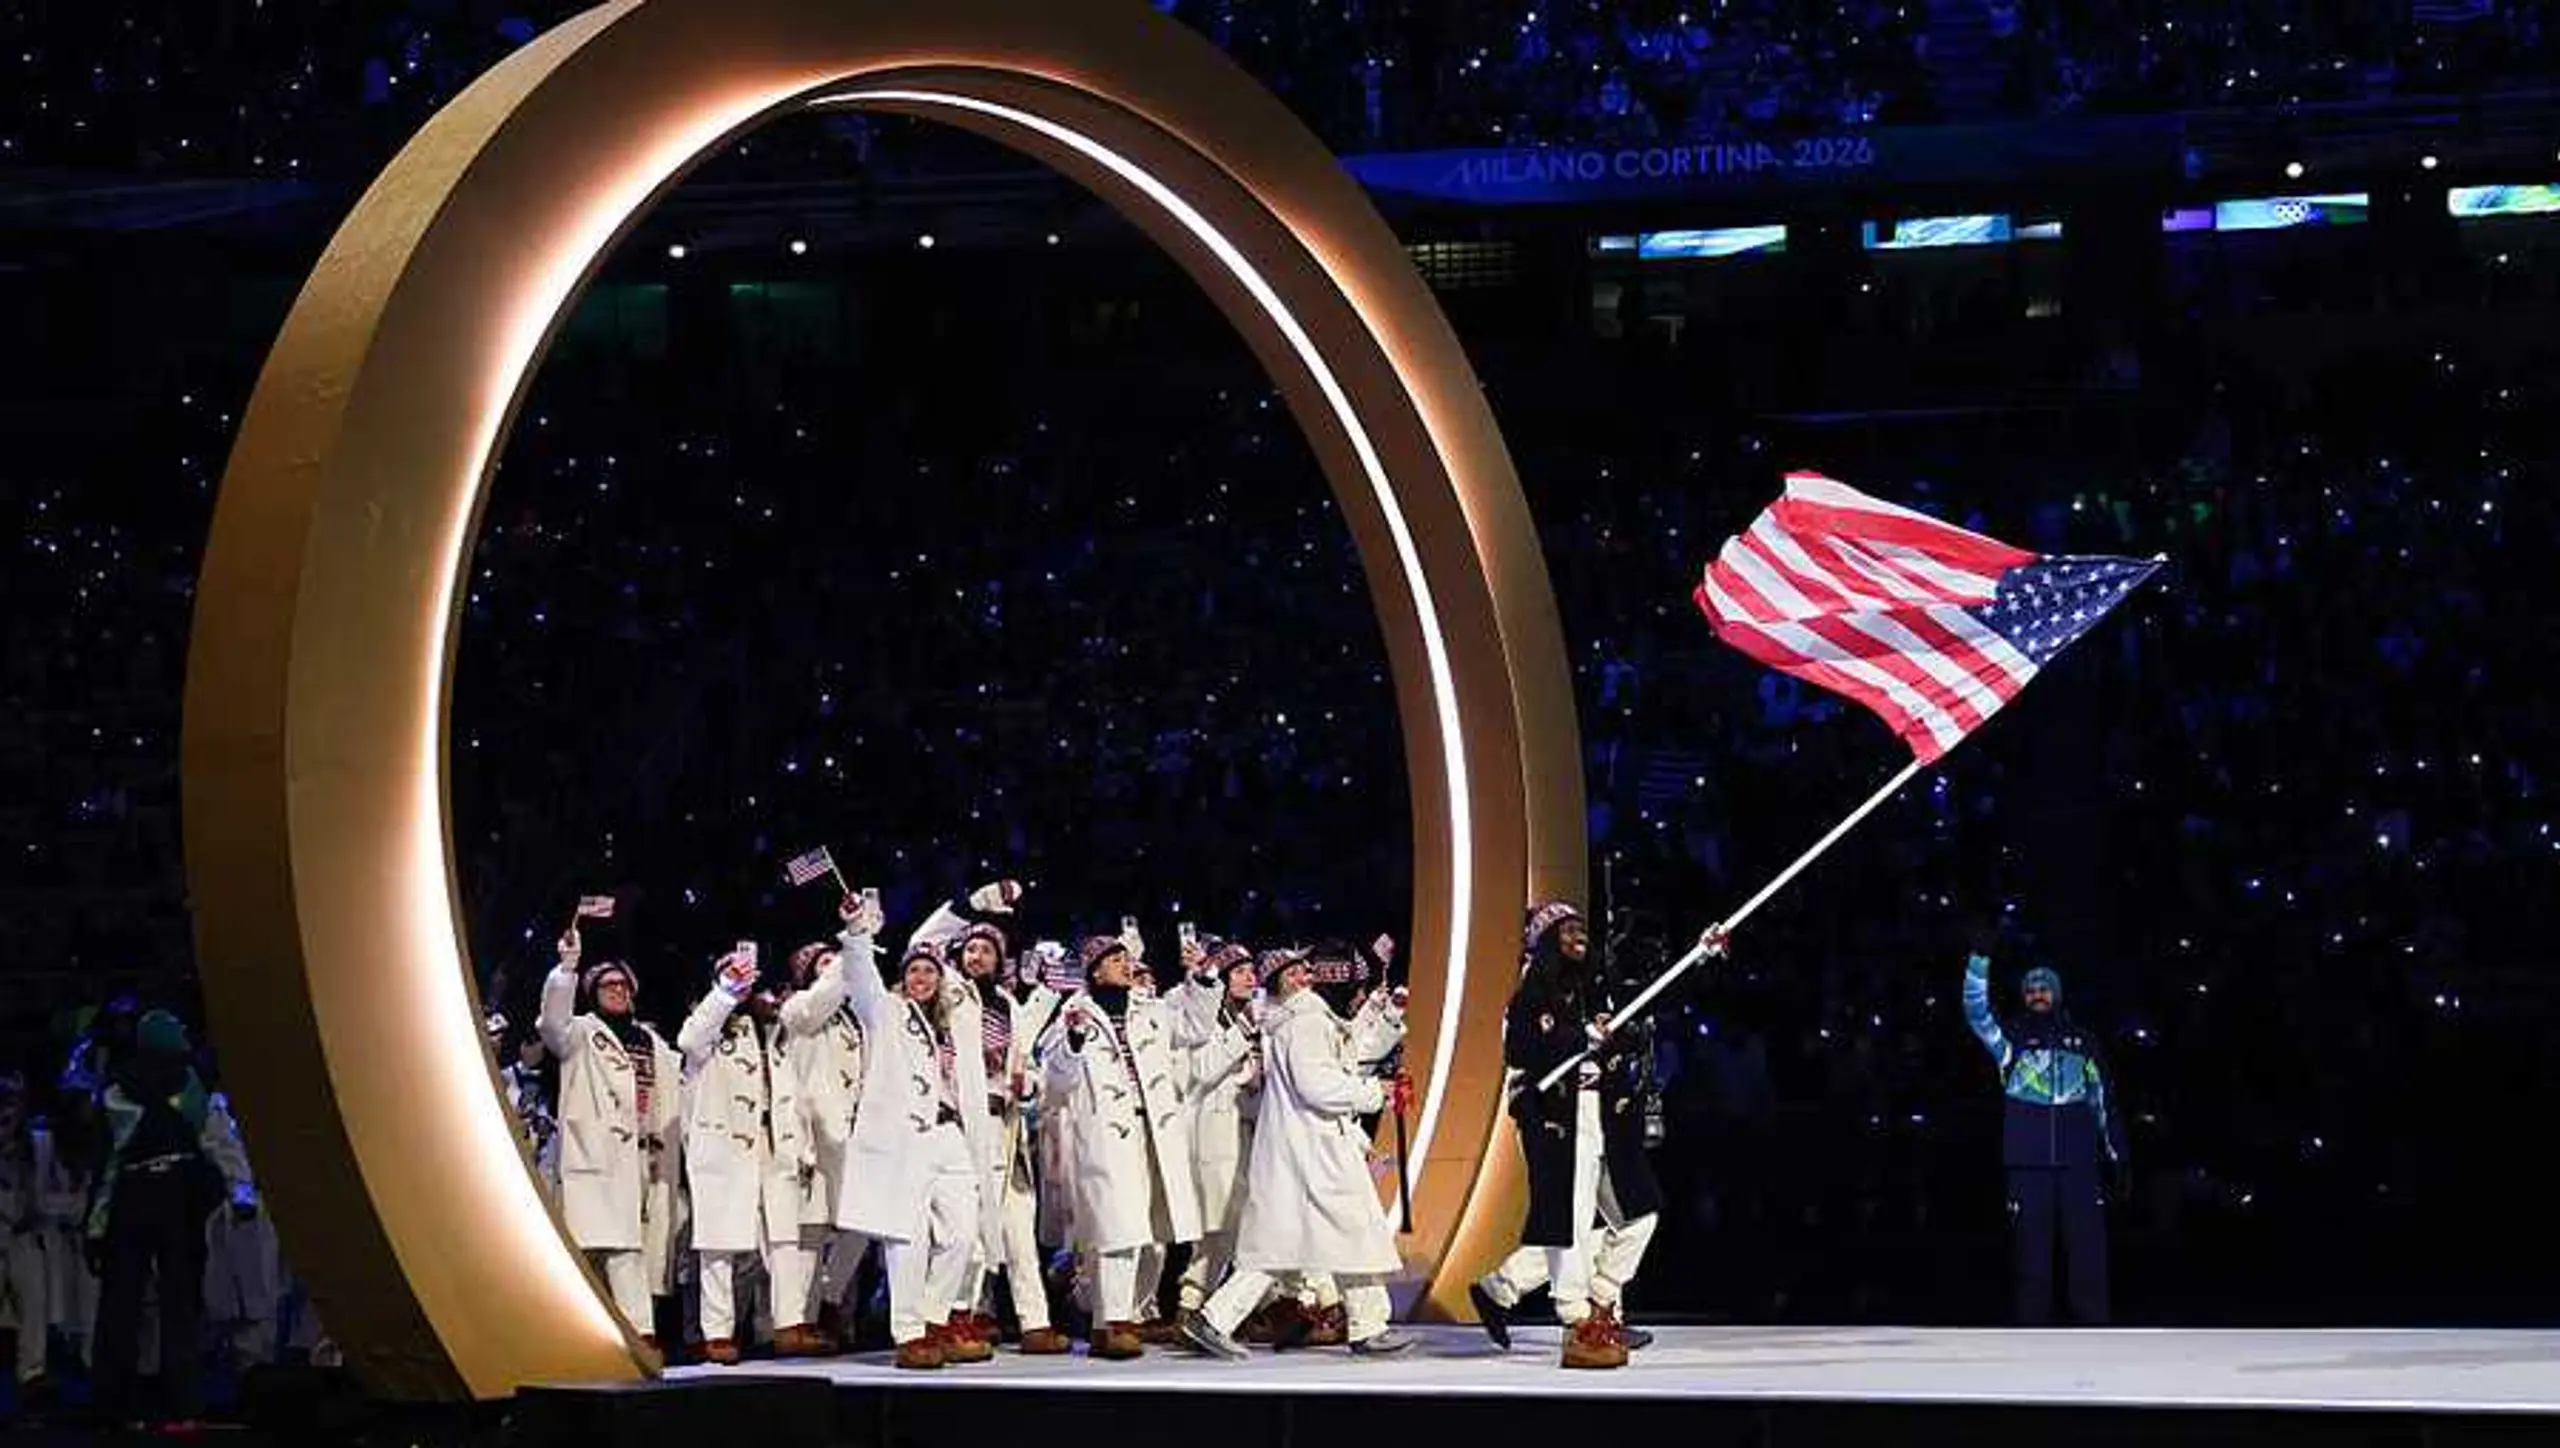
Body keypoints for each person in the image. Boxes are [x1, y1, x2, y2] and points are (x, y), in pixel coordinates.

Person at [1470, 904, 1722, 1369]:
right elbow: (1520, 1050)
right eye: (1567, 930)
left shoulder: (1593, 984)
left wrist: (1698, 956)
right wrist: (1575, 1039)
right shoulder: (1531, 994)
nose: (1578, 935)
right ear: (1546, 940)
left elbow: (1645, 999)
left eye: (1581, 927)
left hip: (1605, 1114)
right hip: (1557, 1115)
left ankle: (1579, 1295)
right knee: (1570, 1217)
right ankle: (1577, 1320)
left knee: (1638, 1215)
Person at [1182, 946, 1414, 1359]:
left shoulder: (1300, 1020)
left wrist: (1388, 1015)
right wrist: (1373, 1093)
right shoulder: (1306, 1022)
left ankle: (1215, 1319)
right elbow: (1318, 1086)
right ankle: (1368, 1326)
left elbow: (1346, 1056)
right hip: (1317, 1147)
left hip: (1303, 1146)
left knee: (1284, 1243)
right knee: (1349, 1230)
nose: (1359, 993)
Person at [831, 890, 996, 1371]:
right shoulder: (886, 1013)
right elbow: (861, 975)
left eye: (930, 970)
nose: (922, 976)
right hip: (906, 1137)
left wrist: (977, 904)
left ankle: (933, 1315)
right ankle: (910, 1333)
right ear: (903, 981)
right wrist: (858, 933)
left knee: (964, 1236)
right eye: (914, 971)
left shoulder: (953, 1019)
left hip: (951, 1136)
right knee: (907, 1239)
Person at [85, 1010, 252, 1429]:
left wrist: (97, 1225)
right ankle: (176, 1401)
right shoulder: (186, 1089)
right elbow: (220, 1144)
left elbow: (110, 1166)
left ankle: (126, 1402)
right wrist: (241, 1191)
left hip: (145, 1200)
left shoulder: (117, 1092)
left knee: (132, 1305)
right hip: (172, 1201)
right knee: (172, 1304)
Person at [924, 884, 1072, 1355]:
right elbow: (921, 947)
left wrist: (1026, 1085)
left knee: (1017, 1227)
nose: (977, 956)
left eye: (986, 950)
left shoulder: (1008, 1005)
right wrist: (971, 905)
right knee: (967, 1229)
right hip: (964, 1126)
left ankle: (1035, 1322)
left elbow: (1023, 1064)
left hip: (1006, 1128)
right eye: (970, 948)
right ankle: (955, 1318)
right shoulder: (951, 993)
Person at [1041, 931, 1201, 1360]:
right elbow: (1055, 1083)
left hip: (1152, 1131)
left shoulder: (1148, 1009)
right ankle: (1113, 1322)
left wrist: (1198, 977)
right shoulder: (1075, 1015)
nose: (1127, 967)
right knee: (1119, 1230)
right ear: (1096, 970)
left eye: (1127, 960)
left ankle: (1107, 1320)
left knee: (1147, 1235)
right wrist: (1072, 1045)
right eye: (1116, 961)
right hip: (1106, 1136)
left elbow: (1196, 1025)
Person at [1963, 930, 2124, 1325]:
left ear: (2058, 993)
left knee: (2087, 1253)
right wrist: (1979, 962)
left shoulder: (2082, 1042)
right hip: (2027, 1164)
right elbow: (1976, 1012)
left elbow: (2103, 1101)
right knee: (2030, 1256)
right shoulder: (2010, 1043)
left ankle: (2094, 1332)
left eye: (2044, 987)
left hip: (2078, 1165)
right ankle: (2030, 1337)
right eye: (2031, 987)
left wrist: (2118, 1156)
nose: (2037, 992)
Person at [537, 930, 684, 1350]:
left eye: (623, 985)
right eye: (607, 985)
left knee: (630, 1249)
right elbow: (551, 1024)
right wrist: (566, 969)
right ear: (592, 992)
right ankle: (582, 1333)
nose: (617, 991)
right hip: (594, 1154)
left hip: (639, 1159)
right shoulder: (580, 1032)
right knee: (587, 1250)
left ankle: (639, 1335)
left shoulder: (651, 1040)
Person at [678, 945, 821, 1363]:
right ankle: (717, 1332)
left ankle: (789, 1325)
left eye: (748, 977)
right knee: (719, 1244)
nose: (744, 983)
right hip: (725, 1148)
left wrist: (801, 1147)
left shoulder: (774, 1033)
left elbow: (793, 1095)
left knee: (783, 1238)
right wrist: (726, 991)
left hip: (773, 1145)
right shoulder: (710, 1031)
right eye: (732, 975)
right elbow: (688, 1038)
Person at [776, 931, 867, 1352]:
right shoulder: (796, 1009)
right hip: (812, 1135)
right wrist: (853, 946)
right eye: (824, 963)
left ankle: (829, 1298)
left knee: (862, 1222)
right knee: (809, 1231)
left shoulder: (853, 1019)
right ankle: (803, 1321)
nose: (835, 969)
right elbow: (823, 996)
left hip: (853, 1134)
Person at [1170, 938, 1260, 1319]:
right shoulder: (1202, 1017)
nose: (1251, 978)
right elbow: (1202, 1070)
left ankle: (1193, 1304)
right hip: (1211, 1134)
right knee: (1227, 1225)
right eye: (1240, 971)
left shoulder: (1252, 1016)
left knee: (1230, 1227)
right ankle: (1203, 1307)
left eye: (1251, 970)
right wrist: (1241, 1033)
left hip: (1247, 1131)